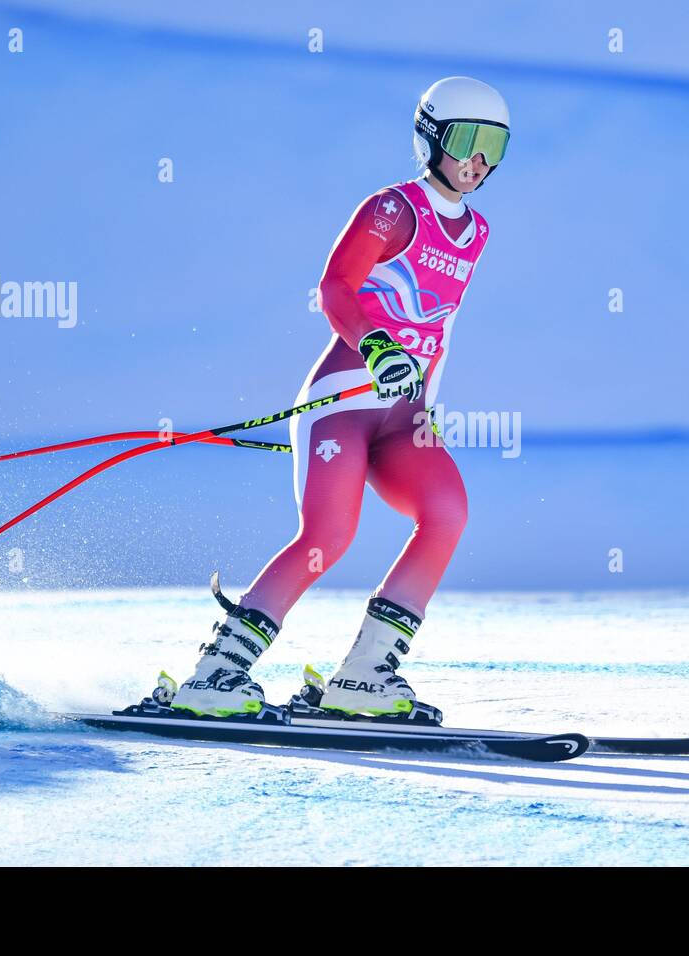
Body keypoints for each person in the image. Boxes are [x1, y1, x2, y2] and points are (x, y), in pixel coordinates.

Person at [171, 77, 510, 723]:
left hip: (404, 414)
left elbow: (443, 326)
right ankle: (215, 675)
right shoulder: (393, 209)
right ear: (431, 138)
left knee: (447, 511)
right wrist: (379, 347)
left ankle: (361, 677)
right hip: (345, 399)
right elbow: (335, 289)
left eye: (494, 145)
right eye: (466, 140)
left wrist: (426, 401)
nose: (478, 160)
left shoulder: (477, 230)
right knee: (328, 535)